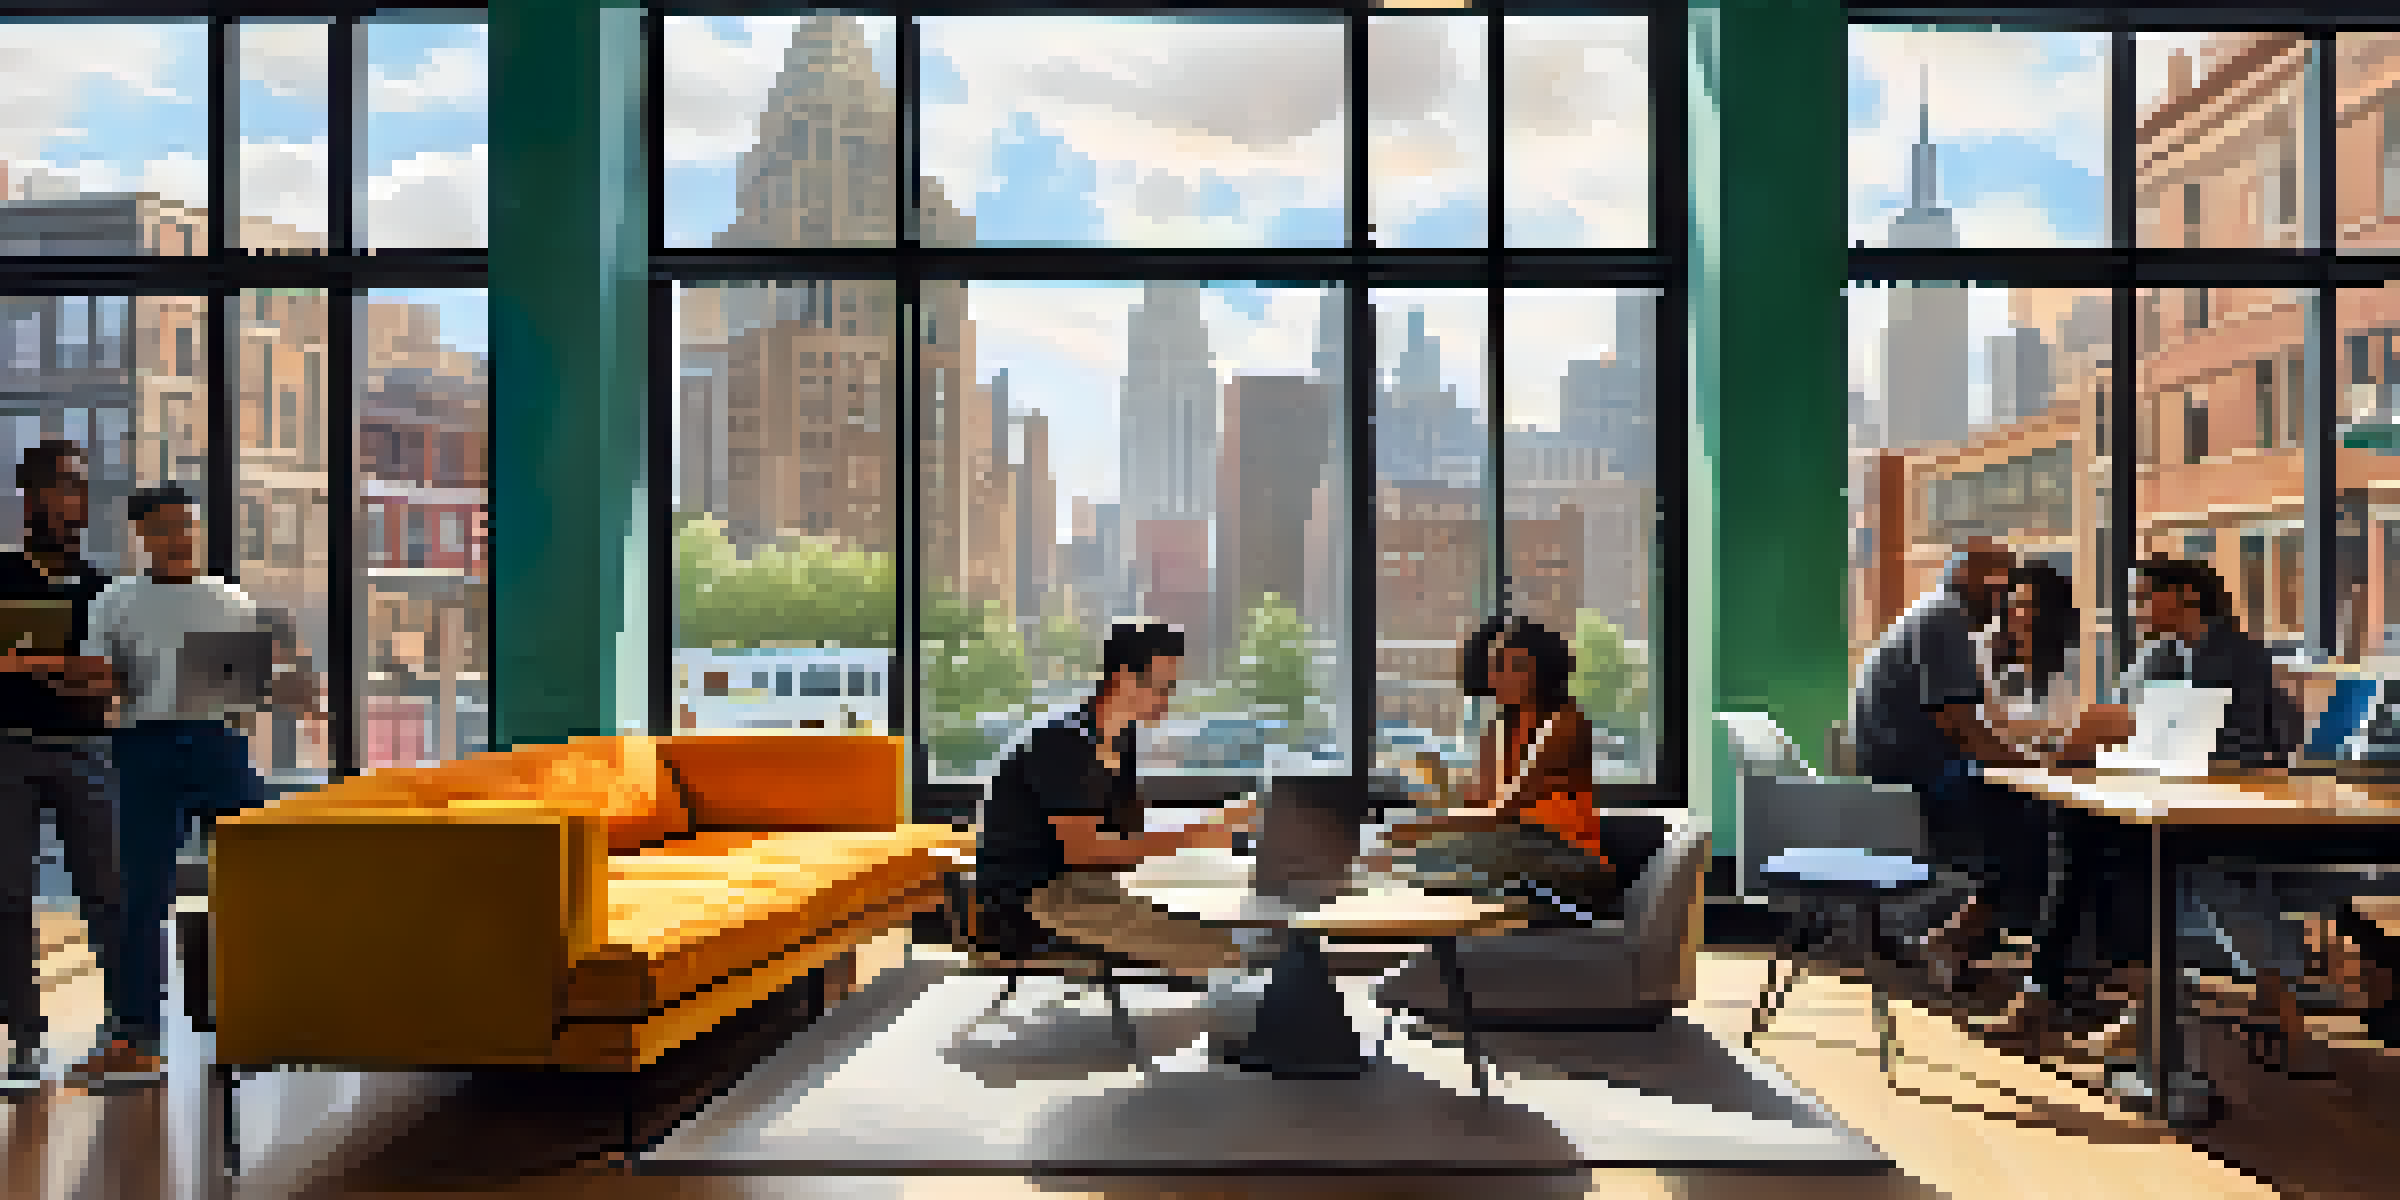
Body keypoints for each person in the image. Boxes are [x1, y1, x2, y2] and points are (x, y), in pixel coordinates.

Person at [79, 485, 320, 1084]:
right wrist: (91, 681)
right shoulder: (115, 600)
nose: (178, 538)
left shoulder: (229, 598)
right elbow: (98, 683)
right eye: (164, 528)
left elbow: (253, 689)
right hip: (144, 747)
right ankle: (138, 1039)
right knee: (142, 898)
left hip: (216, 743)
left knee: (264, 874)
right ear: (141, 535)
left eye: (186, 526)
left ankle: (274, 1020)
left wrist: (286, 683)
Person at [2027, 557, 2308, 1063]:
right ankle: (2062, 991)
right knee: (2075, 835)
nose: (2135, 610)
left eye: (2144, 598)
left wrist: (2131, 744)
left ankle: (2111, 1003)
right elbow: (2120, 714)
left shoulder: (2235, 654)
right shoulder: (2162, 653)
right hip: (2174, 795)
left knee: (2123, 856)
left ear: (2187, 598)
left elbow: (2238, 750)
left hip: (2235, 805)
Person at [976, 622, 1259, 981]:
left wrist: (1219, 821)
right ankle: (1236, 1030)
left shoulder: (1120, 738)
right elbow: (1087, 852)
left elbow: (1127, 831)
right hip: (1027, 907)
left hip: (1081, 890)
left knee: (1218, 931)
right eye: (1161, 688)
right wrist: (1194, 836)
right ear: (1124, 678)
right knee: (1222, 950)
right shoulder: (1066, 745)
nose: (1167, 701)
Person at [1849, 539, 2054, 1006]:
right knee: (2047, 824)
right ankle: (1960, 939)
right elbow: (1958, 724)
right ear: (1979, 583)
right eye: (2006, 590)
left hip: (1903, 771)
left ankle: (1975, 939)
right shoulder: (1944, 621)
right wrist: (2037, 767)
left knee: (2040, 821)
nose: (2009, 604)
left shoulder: (1933, 615)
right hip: (1918, 777)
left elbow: (1964, 723)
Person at [0, 439, 132, 1088]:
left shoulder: (104, 588)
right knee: (8, 896)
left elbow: (112, 679)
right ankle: (24, 1040)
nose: (73, 501)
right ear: (30, 496)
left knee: (107, 891)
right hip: (8, 748)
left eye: (79, 487)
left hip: (87, 750)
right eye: (61, 487)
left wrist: (47, 669)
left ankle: (123, 1030)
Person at [1375, 615, 1621, 923]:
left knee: (1426, 855)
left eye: (1513, 667)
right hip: (1514, 845)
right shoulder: (1498, 729)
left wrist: (1423, 827)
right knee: (1415, 856)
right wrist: (1439, 792)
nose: (1497, 677)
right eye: (1494, 666)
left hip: (1568, 855)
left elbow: (1505, 810)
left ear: (1542, 671)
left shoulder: (1565, 723)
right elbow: (1483, 804)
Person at [1979, 561, 2078, 759]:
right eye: (2013, 605)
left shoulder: (2070, 673)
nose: (2015, 615)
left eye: (2025, 606)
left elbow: (2064, 738)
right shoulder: (2004, 674)